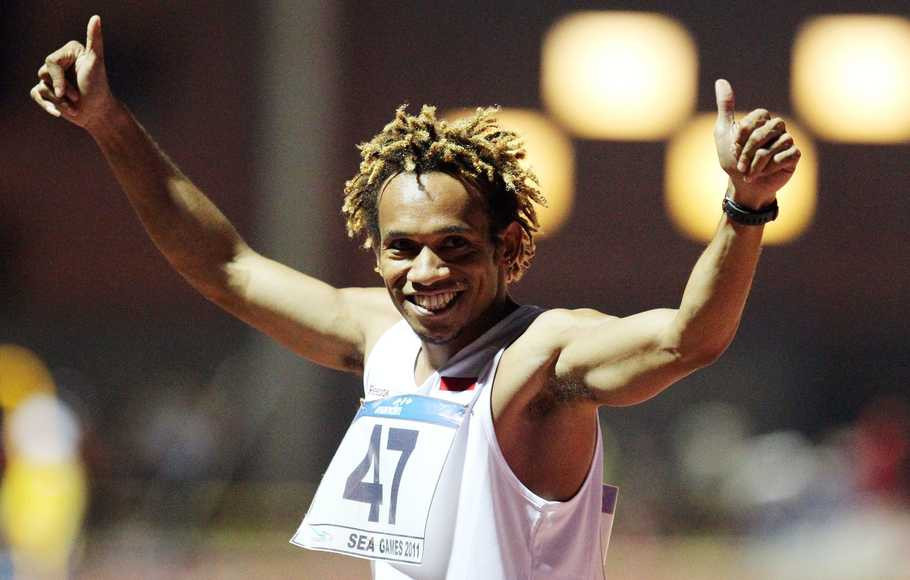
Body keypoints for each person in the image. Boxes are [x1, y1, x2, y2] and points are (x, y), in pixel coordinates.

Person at [31, 15, 801, 580]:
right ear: (375, 253)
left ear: (508, 248)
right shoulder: (382, 337)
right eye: (402, 248)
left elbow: (687, 339)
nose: (427, 271)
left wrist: (745, 206)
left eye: (455, 246)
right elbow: (226, 267)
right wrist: (108, 124)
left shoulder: (545, 354)